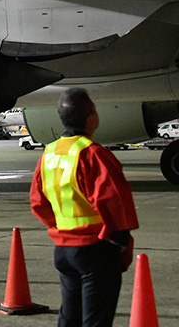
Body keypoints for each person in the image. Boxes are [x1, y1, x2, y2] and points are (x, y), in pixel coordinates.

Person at [30, 88, 139, 327]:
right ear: (91, 118)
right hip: (95, 250)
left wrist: (61, 226)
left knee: (69, 318)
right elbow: (113, 200)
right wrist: (120, 240)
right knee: (96, 320)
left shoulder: (48, 154)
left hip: (63, 250)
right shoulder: (94, 154)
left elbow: (38, 202)